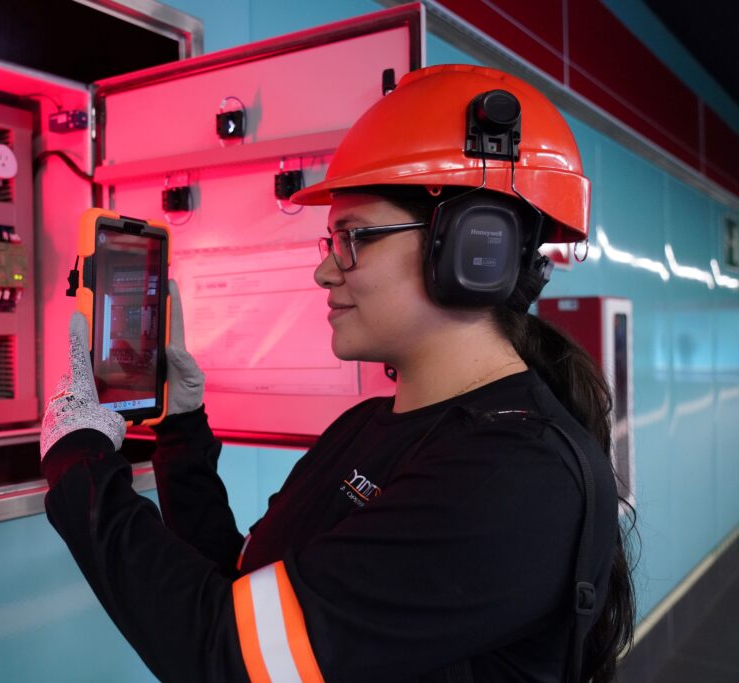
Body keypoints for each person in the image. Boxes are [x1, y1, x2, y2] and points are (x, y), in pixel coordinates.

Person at [40, 64, 635, 682]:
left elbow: (230, 660)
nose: (326, 273)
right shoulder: (372, 426)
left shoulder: (514, 475)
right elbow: (242, 591)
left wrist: (79, 466)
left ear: (472, 247)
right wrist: (182, 429)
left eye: (352, 238)